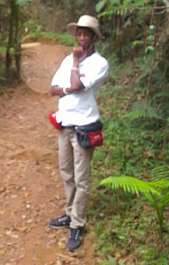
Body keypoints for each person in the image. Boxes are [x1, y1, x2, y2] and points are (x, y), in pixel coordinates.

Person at [49, 15, 109, 251]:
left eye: (86, 34)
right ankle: (69, 212)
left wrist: (75, 64)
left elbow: (78, 85)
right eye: (79, 33)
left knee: (81, 178)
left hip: (84, 125)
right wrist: (67, 87)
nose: (81, 38)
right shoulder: (66, 60)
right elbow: (54, 88)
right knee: (66, 172)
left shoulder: (99, 63)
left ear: (94, 37)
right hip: (65, 122)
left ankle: (77, 224)